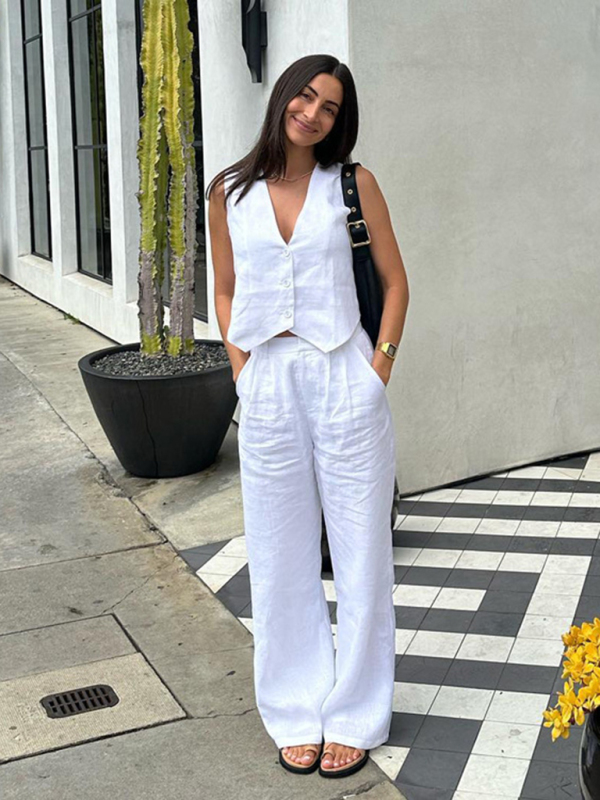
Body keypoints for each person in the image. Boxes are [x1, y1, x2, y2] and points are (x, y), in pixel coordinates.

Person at [207, 53, 409, 779]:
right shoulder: (229, 191)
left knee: (361, 553)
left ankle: (355, 712)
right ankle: (295, 707)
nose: (313, 113)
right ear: (284, 95)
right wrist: (242, 370)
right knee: (278, 554)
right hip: (268, 381)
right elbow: (225, 289)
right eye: (306, 96)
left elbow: (395, 283)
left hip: (344, 377)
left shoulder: (353, 184)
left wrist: (377, 371)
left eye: (330, 107)